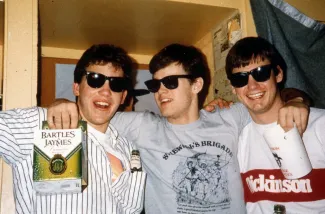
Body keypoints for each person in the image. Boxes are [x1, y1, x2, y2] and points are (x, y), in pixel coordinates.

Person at [47, 43, 309, 214]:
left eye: (170, 82)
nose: (160, 91)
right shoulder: (142, 126)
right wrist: (62, 103)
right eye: (155, 84)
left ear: (196, 85)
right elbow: (93, 113)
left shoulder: (229, 117)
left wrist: (297, 101)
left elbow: (270, 95)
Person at [0, 44, 146, 214]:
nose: (106, 92)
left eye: (116, 84)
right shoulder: (39, 123)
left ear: (123, 97)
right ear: (76, 87)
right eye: (95, 79)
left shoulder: (128, 149)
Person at [225, 37, 325, 213]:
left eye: (261, 73)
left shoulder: (320, 126)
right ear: (233, 87)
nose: (252, 86)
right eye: (240, 79)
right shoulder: (236, 139)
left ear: (278, 74)